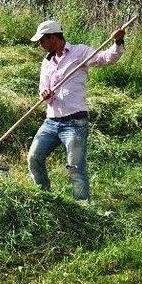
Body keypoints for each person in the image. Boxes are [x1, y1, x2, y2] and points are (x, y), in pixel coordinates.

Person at [27, 19, 126, 202]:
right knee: (34, 157)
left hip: (75, 122)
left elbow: (105, 58)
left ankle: (82, 209)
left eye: (42, 40)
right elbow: (43, 90)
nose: (40, 45)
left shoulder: (80, 52)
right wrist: (45, 94)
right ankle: (44, 197)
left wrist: (117, 42)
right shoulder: (46, 62)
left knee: (75, 168)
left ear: (53, 37)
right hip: (51, 121)